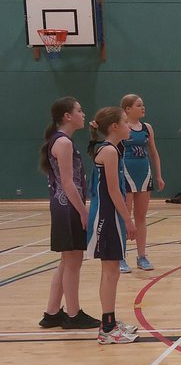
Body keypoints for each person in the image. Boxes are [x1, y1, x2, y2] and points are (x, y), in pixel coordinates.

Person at [37, 97, 101, 331]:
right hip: (68, 207)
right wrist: (83, 211)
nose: (83, 114)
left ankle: (52, 312)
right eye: (80, 110)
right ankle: (73, 314)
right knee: (73, 261)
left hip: (62, 206)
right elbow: (67, 182)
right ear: (67, 116)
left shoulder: (61, 141)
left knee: (67, 262)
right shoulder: (63, 143)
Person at [87, 107, 138, 344]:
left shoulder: (112, 149)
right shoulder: (109, 151)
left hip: (110, 215)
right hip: (106, 216)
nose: (130, 126)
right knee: (109, 272)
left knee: (113, 271)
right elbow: (113, 190)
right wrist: (128, 218)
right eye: (126, 122)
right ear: (115, 127)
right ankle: (107, 329)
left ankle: (110, 322)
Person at [120, 93, 165, 273]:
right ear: (127, 109)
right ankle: (120, 257)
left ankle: (142, 256)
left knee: (141, 217)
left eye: (143, 104)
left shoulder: (147, 127)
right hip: (126, 174)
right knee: (125, 217)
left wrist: (159, 175)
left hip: (144, 174)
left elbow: (153, 153)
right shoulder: (121, 127)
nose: (143, 107)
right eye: (139, 105)